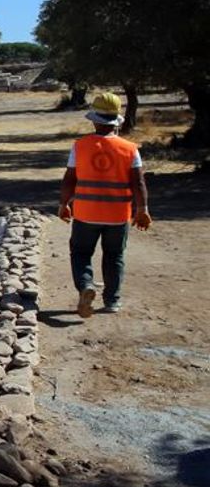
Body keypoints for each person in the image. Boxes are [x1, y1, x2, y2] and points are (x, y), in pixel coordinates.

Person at [58, 92, 152, 318]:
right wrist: (142, 210)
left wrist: (63, 204)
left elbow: (69, 179)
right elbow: (138, 182)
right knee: (114, 256)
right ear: (116, 120)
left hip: (85, 213)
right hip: (118, 215)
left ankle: (85, 286)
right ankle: (112, 301)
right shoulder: (130, 148)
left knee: (80, 253)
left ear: (94, 120)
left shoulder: (80, 146)